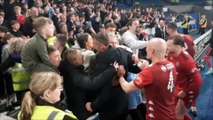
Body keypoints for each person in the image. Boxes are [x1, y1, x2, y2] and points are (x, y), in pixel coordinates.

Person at [85, 32, 141, 120]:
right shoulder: (121, 51)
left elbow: (105, 90)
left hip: (109, 106)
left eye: (94, 44)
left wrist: (93, 105)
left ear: (101, 47)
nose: (92, 45)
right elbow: (135, 69)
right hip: (123, 99)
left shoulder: (98, 61)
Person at [118, 38, 177, 120]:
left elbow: (127, 88)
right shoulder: (171, 65)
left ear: (151, 50)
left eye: (147, 47)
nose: (145, 49)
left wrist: (120, 76)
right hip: (170, 111)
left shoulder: (150, 71)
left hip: (157, 115)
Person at [59, 48, 119, 120]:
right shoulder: (74, 74)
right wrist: (111, 70)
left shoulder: (72, 70)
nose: (83, 56)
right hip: (81, 111)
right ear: (74, 60)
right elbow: (92, 84)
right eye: (80, 55)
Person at [167, 35, 203, 120]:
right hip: (179, 87)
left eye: (168, 46)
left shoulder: (186, 61)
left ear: (177, 47)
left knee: (178, 114)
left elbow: (198, 81)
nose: (166, 47)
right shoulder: (170, 54)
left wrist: (184, 91)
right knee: (174, 111)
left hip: (189, 90)